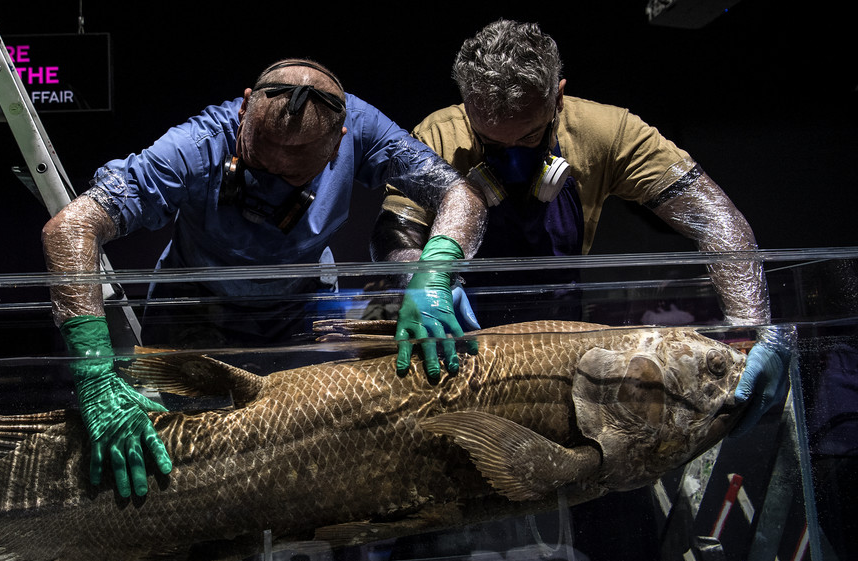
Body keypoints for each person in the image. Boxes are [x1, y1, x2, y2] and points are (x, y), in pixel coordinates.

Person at [41, 58, 483, 498]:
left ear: (337, 145)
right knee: (180, 469)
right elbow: (70, 228)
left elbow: (460, 196)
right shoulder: (196, 146)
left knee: (300, 461)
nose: (271, 179)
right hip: (193, 310)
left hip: (299, 308)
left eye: (292, 174)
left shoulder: (362, 127)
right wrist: (94, 372)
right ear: (245, 108)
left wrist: (435, 274)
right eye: (257, 158)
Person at [377, 19, 790, 431]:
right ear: (468, 106)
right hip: (452, 338)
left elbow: (715, 220)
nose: (513, 160)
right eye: (494, 144)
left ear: (557, 97)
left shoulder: (607, 132)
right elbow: (395, 233)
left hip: (559, 340)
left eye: (528, 138)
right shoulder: (438, 136)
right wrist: (424, 280)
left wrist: (752, 331)